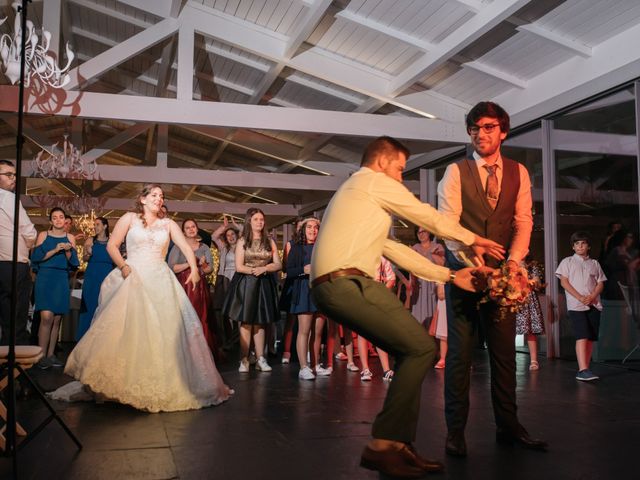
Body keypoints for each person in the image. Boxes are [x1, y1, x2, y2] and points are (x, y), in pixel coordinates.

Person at [311, 136, 502, 478]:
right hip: (346, 283)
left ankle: (398, 446)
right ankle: (383, 445)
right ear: (382, 163)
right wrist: (471, 238)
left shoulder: (359, 198)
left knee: (412, 350)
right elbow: (424, 214)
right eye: (399, 169)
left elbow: (393, 250)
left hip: (341, 284)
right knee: (420, 348)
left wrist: (448, 275)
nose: (401, 178)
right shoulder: (371, 181)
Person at [59, 184, 232, 412]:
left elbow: (187, 248)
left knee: (162, 331)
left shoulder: (168, 224)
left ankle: (163, 382)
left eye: (161, 196)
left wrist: (195, 270)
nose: (159, 199)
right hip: (133, 274)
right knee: (128, 329)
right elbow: (112, 245)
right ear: (142, 199)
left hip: (160, 278)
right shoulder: (129, 218)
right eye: (154, 195)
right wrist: (122, 266)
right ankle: (119, 383)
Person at [437, 101, 547, 457]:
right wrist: (472, 259)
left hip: (503, 278)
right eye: (474, 128)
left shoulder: (518, 172)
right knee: (459, 357)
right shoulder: (456, 171)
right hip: (465, 273)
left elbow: (523, 221)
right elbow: (447, 225)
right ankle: (455, 433)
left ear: (503, 130)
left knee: (503, 357)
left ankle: (509, 427)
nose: (480, 134)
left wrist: (514, 263)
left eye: (487, 127)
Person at [223, 207, 282, 373]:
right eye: (256, 219)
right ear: (249, 221)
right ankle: (244, 359)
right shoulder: (242, 241)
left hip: (264, 283)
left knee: (261, 322)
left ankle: (261, 357)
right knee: (246, 322)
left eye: (261, 219)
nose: (259, 222)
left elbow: (278, 264)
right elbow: (239, 266)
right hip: (246, 283)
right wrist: (255, 270)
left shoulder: (269, 241)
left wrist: (265, 269)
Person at [32, 207, 79, 368]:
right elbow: (36, 258)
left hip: (61, 278)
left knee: (57, 319)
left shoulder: (70, 237)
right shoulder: (43, 235)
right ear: (51, 221)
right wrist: (55, 249)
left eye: (61, 217)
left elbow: (74, 263)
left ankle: (51, 355)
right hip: (45, 277)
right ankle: (40, 356)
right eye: (55, 217)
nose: (59, 220)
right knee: (46, 318)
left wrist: (67, 251)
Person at [556, 231, 607, 381]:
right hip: (576, 305)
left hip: (593, 304)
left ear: (588, 246)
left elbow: (600, 283)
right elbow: (564, 282)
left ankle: (587, 368)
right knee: (582, 335)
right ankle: (582, 369)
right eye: (577, 243)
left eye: (583, 243)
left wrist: (592, 296)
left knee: (590, 337)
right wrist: (579, 297)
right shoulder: (567, 262)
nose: (580, 246)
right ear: (573, 247)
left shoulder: (595, 263)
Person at [0, 159, 37, 345]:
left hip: (2, 264)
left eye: (14, 175)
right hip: (14, 265)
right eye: (8, 175)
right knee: (17, 317)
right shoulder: (8, 198)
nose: (13, 179)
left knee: (5, 317)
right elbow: (29, 231)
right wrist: (30, 242)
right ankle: (14, 366)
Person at [287, 217, 328, 380]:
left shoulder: (323, 248)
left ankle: (315, 364)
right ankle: (303, 367)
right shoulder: (297, 248)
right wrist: (303, 269)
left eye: (315, 227)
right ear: (303, 230)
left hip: (320, 291)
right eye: (309, 227)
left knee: (318, 332)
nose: (312, 230)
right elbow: (288, 271)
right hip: (303, 290)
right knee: (304, 331)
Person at [168, 218, 216, 354]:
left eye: (193, 227)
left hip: (200, 287)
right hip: (183, 286)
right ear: (183, 231)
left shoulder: (204, 247)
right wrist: (191, 263)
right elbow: (172, 267)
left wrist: (204, 264)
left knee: (201, 316)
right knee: (183, 317)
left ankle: (202, 351)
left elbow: (209, 270)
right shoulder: (178, 246)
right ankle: (185, 351)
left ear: (197, 229)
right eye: (187, 227)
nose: (191, 229)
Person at [410, 228, 447, 368]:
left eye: (424, 231)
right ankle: (421, 352)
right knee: (418, 319)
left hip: (433, 286)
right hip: (419, 286)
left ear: (429, 233)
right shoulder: (415, 248)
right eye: (418, 232)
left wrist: (434, 256)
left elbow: (443, 264)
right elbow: (410, 267)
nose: (421, 234)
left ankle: (437, 352)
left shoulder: (437, 247)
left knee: (435, 320)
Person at [358, 256, 395, 382]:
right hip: (361, 297)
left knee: (379, 333)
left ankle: (386, 370)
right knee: (362, 333)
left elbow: (391, 278)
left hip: (377, 298)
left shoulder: (380, 256)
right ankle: (365, 369)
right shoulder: (356, 255)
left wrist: (381, 291)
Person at [77, 217, 113, 341]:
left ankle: (102, 341)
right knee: (90, 303)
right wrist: (87, 252)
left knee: (105, 305)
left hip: (108, 275)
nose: (95, 227)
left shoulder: (112, 241)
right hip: (92, 275)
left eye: (98, 224)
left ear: (105, 226)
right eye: (94, 225)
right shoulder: (90, 240)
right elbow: (85, 259)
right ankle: (84, 339)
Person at [211, 215, 240, 349]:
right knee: (228, 312)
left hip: (239, 279)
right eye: (228, 235)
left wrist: (239, 226)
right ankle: (230, 339)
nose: (230, 237)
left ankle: (239, 339)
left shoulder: (243, 246)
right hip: (226, 279)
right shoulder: (224, 248)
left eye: (232, 234)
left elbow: (247, 236)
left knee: (238, 311)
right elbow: (213, 237)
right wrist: (224, 227)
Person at [516, 259, 545, 371]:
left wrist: (529, 278)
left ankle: (534, 360)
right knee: (510, 330)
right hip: (515, 299)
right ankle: (508, 359)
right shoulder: (510, 265)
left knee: (531, 330)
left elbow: (537, 285)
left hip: (529, 300)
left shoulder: (532, 267)